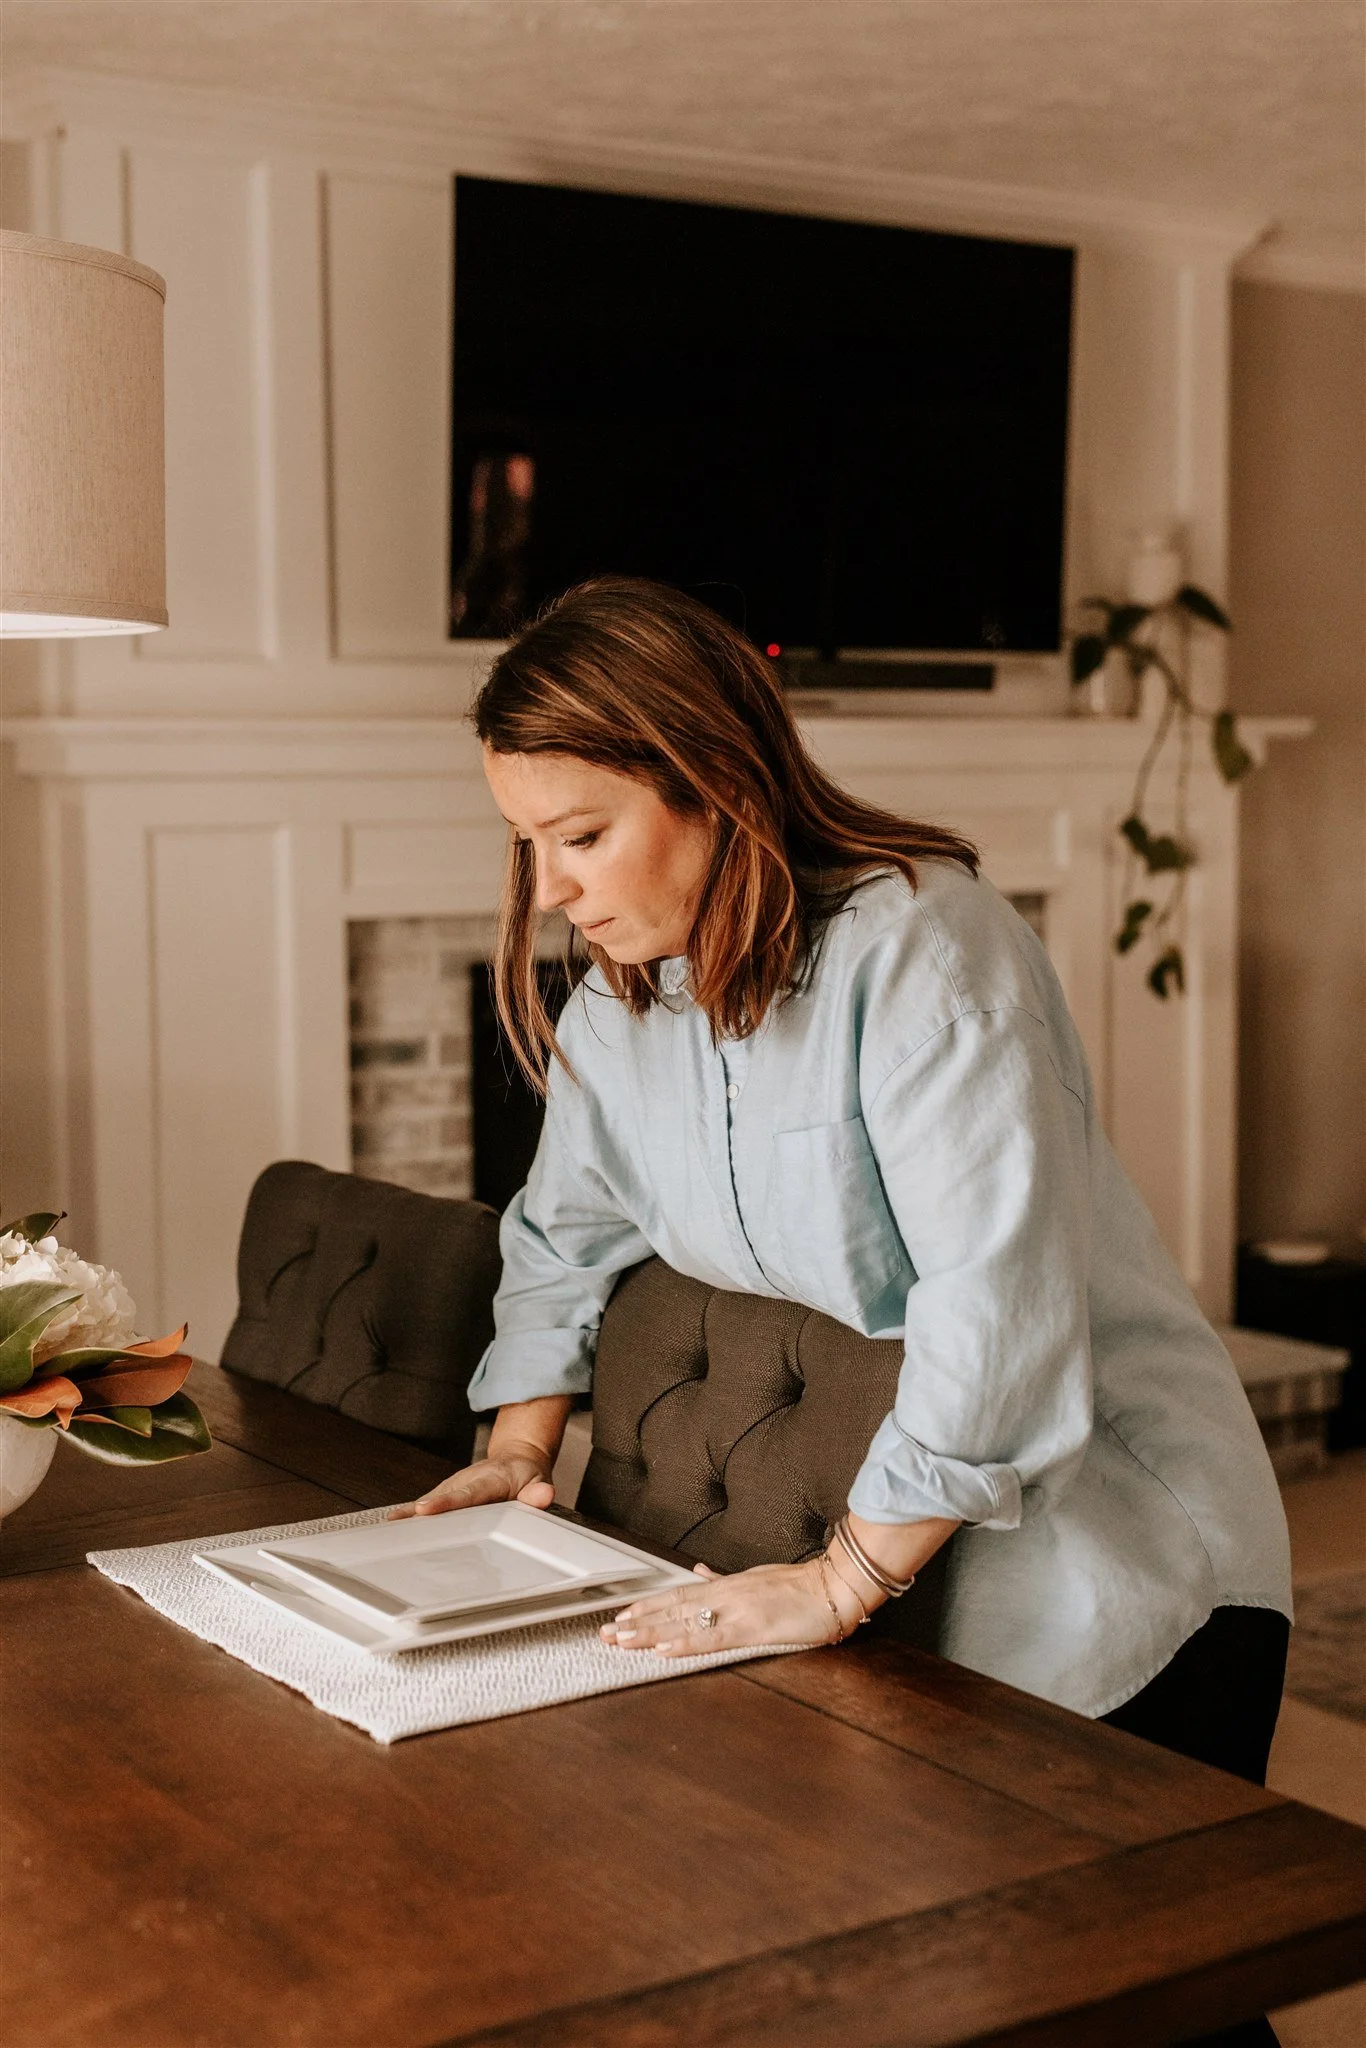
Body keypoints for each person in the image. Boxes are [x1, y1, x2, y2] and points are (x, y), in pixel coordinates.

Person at [393, 579, 1292, 2032]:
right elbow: (562, 1235)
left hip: (1110, 1551)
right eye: (527, 844)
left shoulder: (928, 949)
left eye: (580, 837)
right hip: (910, 1559)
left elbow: (991, 1310)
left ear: (709, 776)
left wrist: (837, 1582)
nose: (548, 887)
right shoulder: (626, 1010)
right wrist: (515, 1454)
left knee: (1130, 2003)